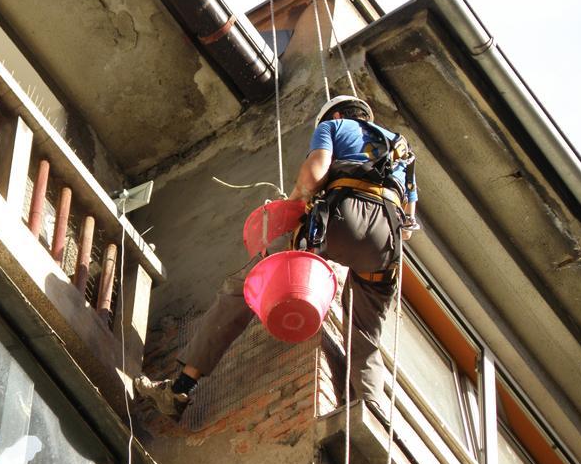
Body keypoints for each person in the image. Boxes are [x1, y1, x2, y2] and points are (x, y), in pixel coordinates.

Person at [135, 95, 418, 420]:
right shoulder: (402, 150)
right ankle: (370, 409)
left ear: (337, 114)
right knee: (366, 331)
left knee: (243, 287)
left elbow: (315, 172)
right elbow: (409, 226)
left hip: (341, 221)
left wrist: (295, 202)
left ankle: (180, 388)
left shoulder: (334, 125)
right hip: (386, 243)